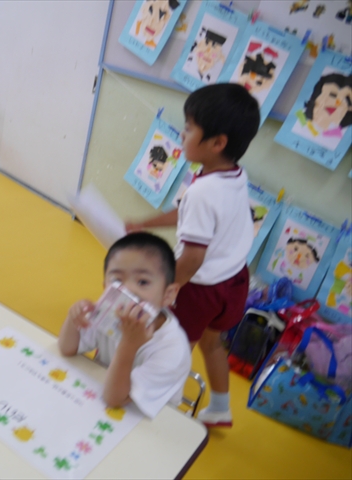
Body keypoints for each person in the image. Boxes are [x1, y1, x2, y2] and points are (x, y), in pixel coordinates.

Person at [126, 83, 260, 428]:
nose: (182, 134)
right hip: (234, 281)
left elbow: (194, 256)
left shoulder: (203, 192)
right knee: (212, 344)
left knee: (172, 348)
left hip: (200, 287)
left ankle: (160, 410)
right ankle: (220, 408)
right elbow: (188, 214)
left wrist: (167, 287)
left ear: (217, 143)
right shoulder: (233, 176)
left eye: (188, 129)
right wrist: (145, 224)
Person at [58, 232, 190, 419]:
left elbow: (114, 398)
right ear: (105, 287)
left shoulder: (172, 348)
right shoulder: (108, 314)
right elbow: (66, 348)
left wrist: (129, 343)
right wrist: (73, 318)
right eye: (117, 281)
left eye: (143, 282)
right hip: (103, 402)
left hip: (148, 422)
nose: (129, 289)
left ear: (168, 294)